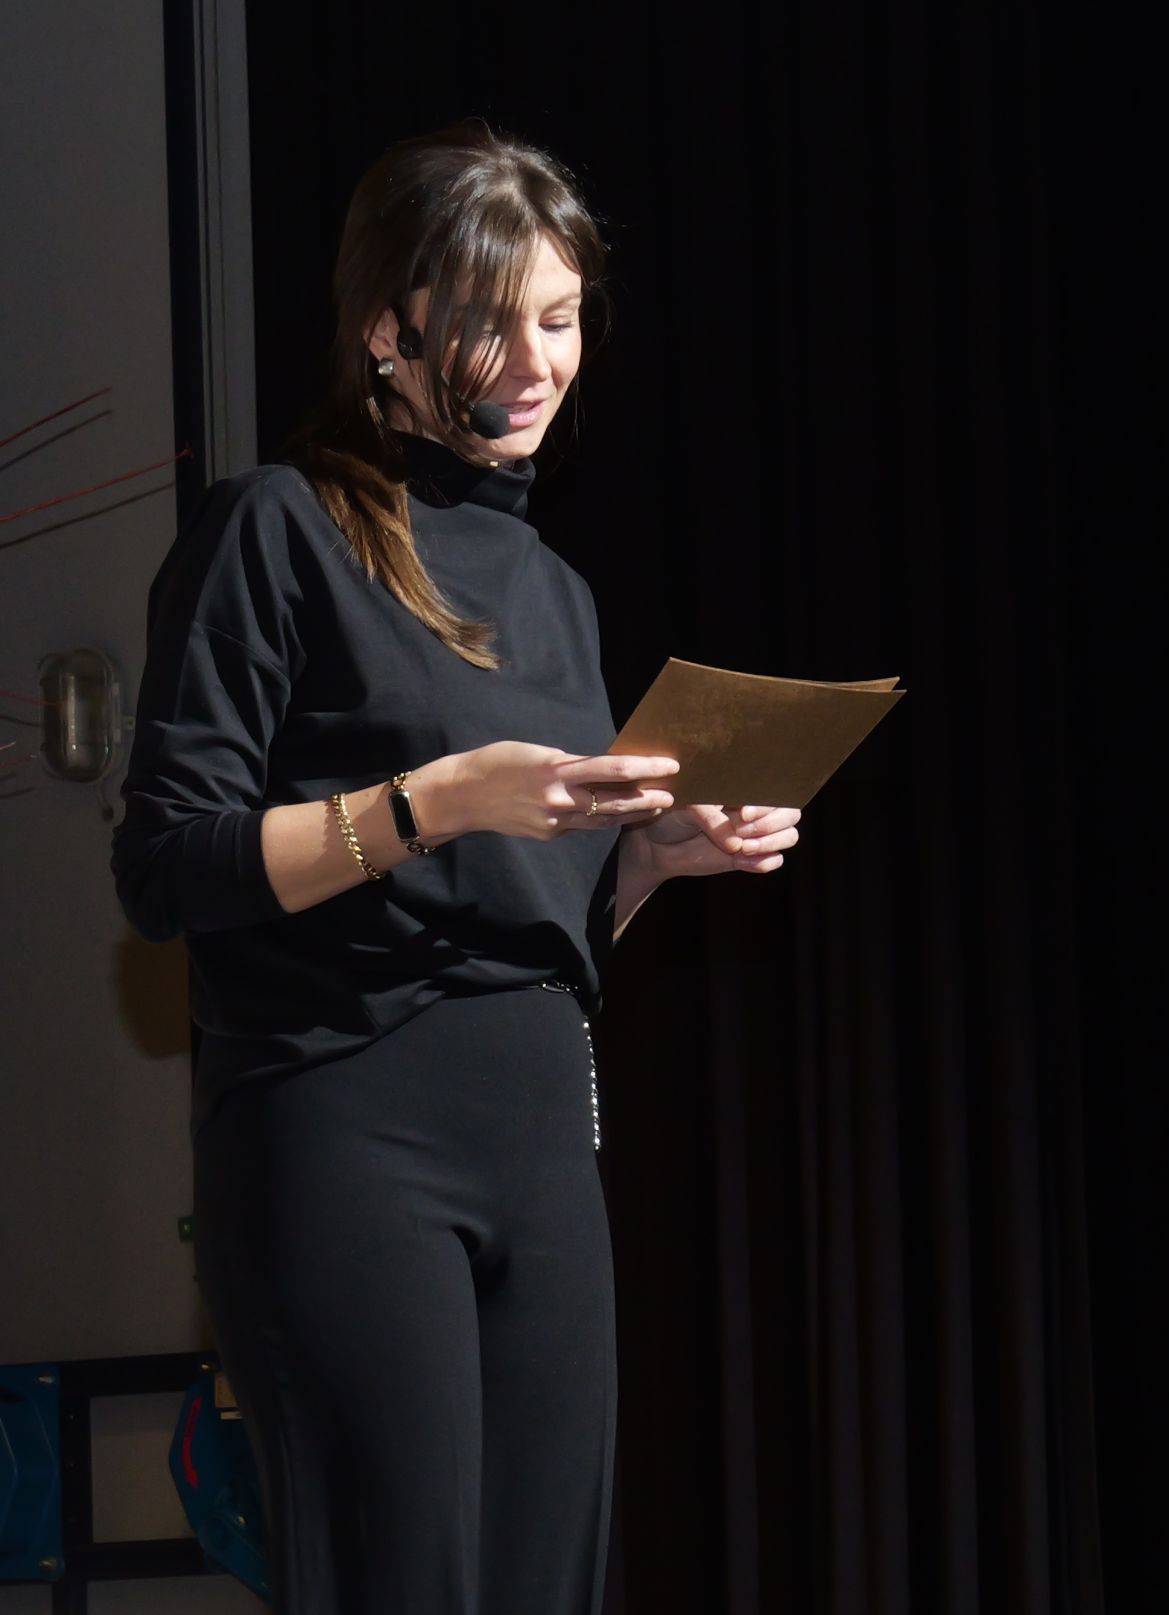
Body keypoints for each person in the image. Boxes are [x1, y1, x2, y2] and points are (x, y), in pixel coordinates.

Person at [109, 122, 800, 1614]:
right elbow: (168, 868)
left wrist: (651, 864)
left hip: (540, 1142)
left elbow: (525, 910)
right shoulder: (276, 532)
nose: (537, 359)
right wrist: (437, 800)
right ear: (391, 328)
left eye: (560, 319)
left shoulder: (557, 592)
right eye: (493, 322)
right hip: (346, 1129)